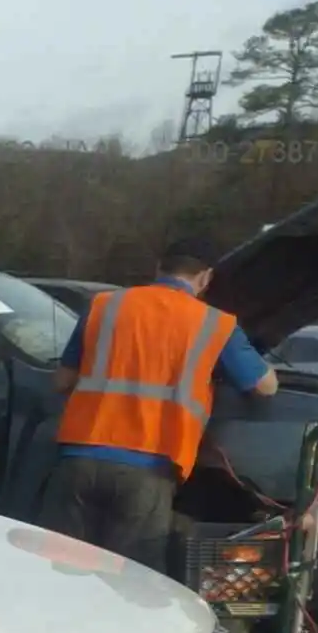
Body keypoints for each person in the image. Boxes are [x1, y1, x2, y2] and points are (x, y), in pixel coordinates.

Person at [41, 236, 278, 572]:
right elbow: (264, 386)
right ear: (206, 278)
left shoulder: (104, 306)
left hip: (78, 459)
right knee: (131, 580)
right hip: (148, 468)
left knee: (63, 568)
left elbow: (61, 381)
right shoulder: (215, 324)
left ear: (158, 268)